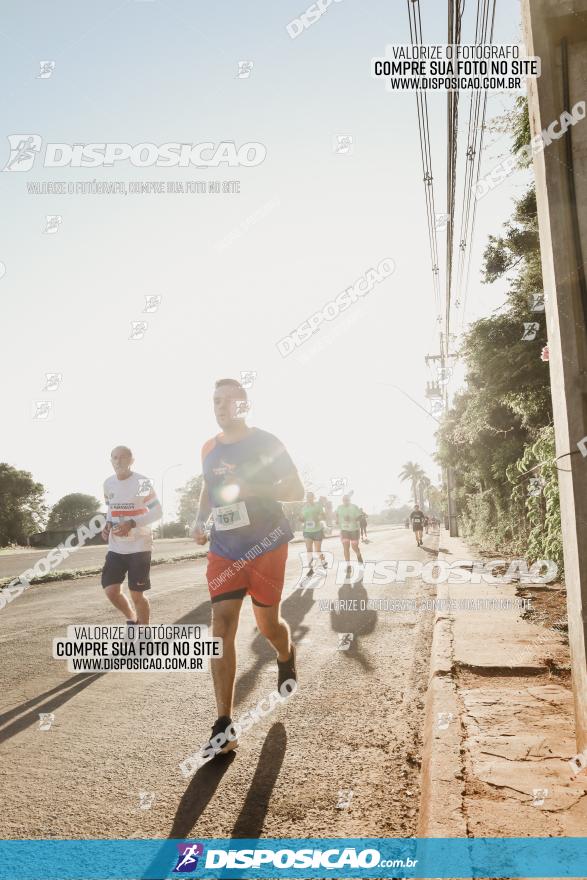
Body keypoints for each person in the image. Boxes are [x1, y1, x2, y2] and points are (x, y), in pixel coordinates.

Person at [192, 378, 304, 757]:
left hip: (266, 543)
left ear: (243, 405)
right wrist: (198, 519)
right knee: (221, 623)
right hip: (225, 546)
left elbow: (296, 490)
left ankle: (285, 653)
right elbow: (208, 488)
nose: (219, 407)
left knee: (268, 625)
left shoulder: (267, 442)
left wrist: (254, 489)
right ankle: (224, 724)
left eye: (226, 401)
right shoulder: (208, 447)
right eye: (214, 401)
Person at [101, 446, 162, 625]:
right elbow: (110, 509)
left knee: (137, 594)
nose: (118, 461)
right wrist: (108, 525)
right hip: (116, 546)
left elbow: (157, 512)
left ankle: (144, 631)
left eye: (123, 457)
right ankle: (131, 618)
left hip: (139, 546)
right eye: (114, 458)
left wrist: (132, 523)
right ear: (111, 461)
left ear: (131, 460)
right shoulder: (108, 483)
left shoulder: (142, 482)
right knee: (111, 590)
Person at [300, 492, 328, 578]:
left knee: (318, 550)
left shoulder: (318, 506)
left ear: (313, 497)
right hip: (307, 531)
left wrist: (318, 518)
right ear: (306, 498)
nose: (309, 498)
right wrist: (301, 519)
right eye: (307, 497)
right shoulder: (304, 508)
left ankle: (323, 561)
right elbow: (302, 518)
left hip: (317, 531)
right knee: (309, 550)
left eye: (311, 497)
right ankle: (310, 569)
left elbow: (324, 516)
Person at [336, 494, 364, 577]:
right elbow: (337, 515)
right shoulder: (339, 507)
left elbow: (360, 517)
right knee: (346, 547)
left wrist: (352, 519)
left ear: (349, 500)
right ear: (342, 501)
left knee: (354, 547)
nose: (345, 502)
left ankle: (358, 555)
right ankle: (348, 565)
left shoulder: (354, 507)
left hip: (354, 530)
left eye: (347, 500)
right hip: (344, 530)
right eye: (344, 500)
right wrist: (337, 520)